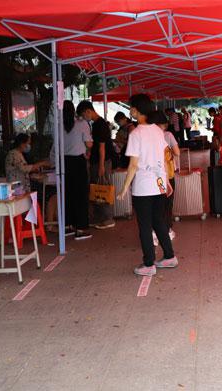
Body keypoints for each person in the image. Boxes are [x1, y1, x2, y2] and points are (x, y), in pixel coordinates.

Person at [117, 94, 176, 276]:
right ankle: (169, 256)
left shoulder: (136, 133)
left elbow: (133, 165)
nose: (130, 110)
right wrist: (166, 181)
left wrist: (124, 188)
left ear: (136, 110)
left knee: (145, 225)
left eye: (131, 107)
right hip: (159, 183)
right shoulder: (158, 130)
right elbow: (163, 158)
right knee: (159, 221)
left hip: (143, 186)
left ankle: (149, 264)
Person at [77, 101, 116, 230]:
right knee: (96, 189)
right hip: (97, 161)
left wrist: (101, 165)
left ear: (88, 111)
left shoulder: (101, 125)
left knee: (103, 188)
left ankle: (108, 218)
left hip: (102, 161)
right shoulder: (96, 124)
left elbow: (102, 147)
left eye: (83, 115)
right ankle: (100, 217)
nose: (84, 118)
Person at [60, 100, 93, 240]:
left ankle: (68, 226)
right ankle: (80, 228)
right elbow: (89, 143)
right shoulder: (81, 124)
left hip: (64, 162)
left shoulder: (59, 125)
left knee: (67, 194)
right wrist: (87, 148)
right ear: (73, 110)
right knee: (80, 195)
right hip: (78, 162)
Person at [149, 110, 179, 241]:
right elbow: (177, 152)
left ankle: (154, 231)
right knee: (167, 203)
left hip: (151, 176)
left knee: (155, 204)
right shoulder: (167, 135)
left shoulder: (145, 137)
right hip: (166, 176)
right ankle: (166, 229)